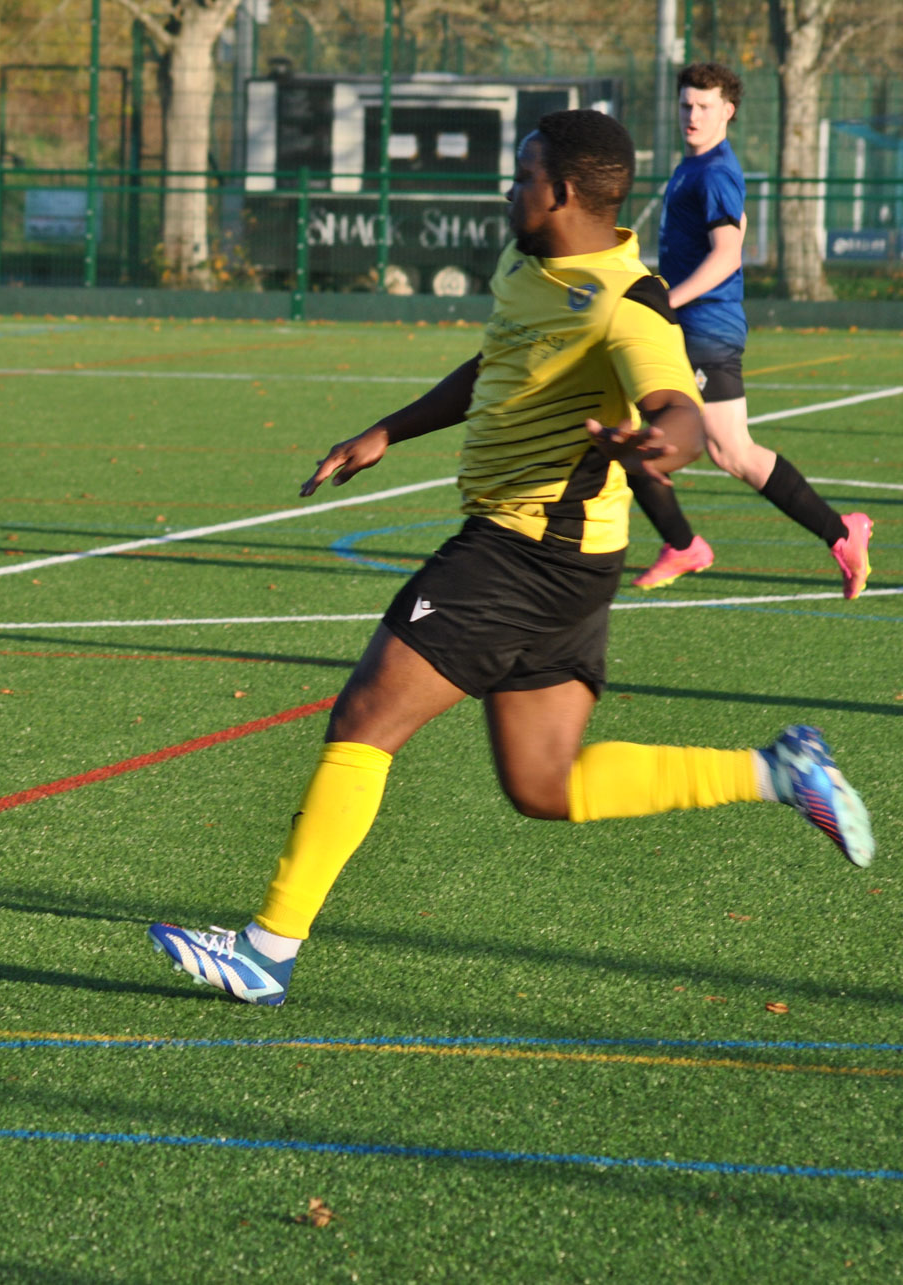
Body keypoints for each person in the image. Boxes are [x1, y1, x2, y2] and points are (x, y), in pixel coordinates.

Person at [148, 110, 874, 1007]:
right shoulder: (527, 265)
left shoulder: (628, 300)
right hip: (569, 562)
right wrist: (389, 430)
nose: (509, 189)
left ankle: (268, 948)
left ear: (561, 192)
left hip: (520, 551)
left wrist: (664, 443)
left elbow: (677, 407)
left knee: (366, 717)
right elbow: (496, 361)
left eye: (523, 175)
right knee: (544, 782)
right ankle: (779, 771)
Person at [627, 62, 872, 596]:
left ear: (728, 111)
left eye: (704, 106)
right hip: (690, 328)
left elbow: (728, 254)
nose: (692, 115)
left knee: (708, 447)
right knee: (709, 447)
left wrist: (667, 300)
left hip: (704, 330)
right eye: (686, 105)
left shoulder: (715, 171)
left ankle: (830, 533)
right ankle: (832, 533)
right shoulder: (696, 166)